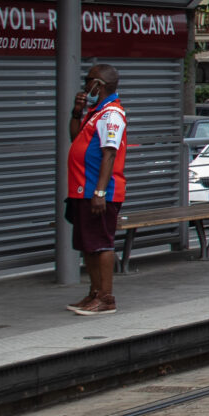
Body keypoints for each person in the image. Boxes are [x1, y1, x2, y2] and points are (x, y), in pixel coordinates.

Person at [65, 62, 128, 316]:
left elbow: (109, 154)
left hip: (98, 192)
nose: (85, 84)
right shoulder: (95, 112)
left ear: (98, 85)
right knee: (88, 244)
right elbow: (75, 138)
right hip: (82, 190)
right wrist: (76, 112)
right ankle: (94, 292)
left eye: (88, 79)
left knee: (101, 243)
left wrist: (100, 192)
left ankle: (106, 298)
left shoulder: (112, 114)